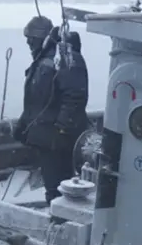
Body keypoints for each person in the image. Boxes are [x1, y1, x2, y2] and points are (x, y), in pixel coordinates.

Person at [14, 16, 89, 203]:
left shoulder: (67, 58)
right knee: (52, 185)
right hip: (46, 138)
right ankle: (56, 221)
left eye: (32, 37)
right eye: (27, 37)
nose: (28, 42)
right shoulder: (42, 61)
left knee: (61, 188)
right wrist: (23, 125)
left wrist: (62, 130)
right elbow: (36, 102)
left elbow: (75, 96)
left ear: (42, 37)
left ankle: (61, 224)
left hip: (59, 140)